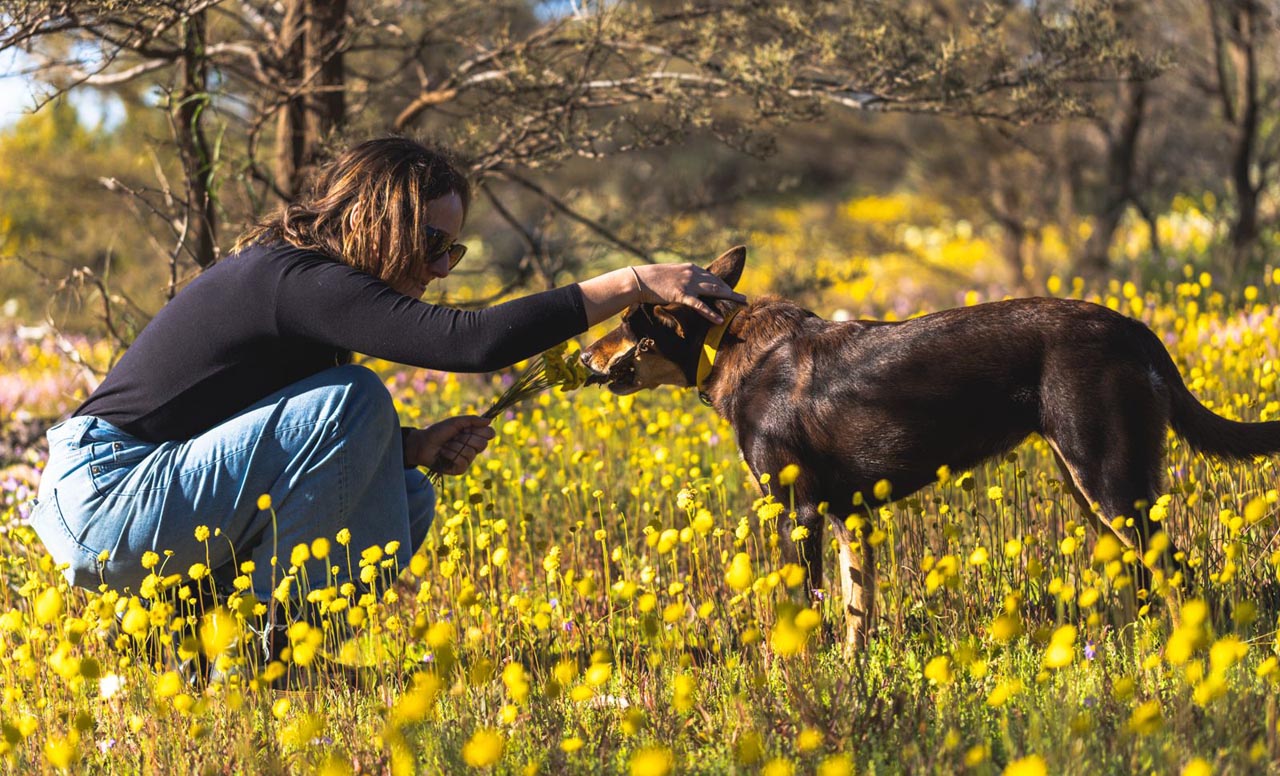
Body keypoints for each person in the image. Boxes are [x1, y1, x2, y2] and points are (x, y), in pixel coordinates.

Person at [28, 136, 744, 632]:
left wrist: (411, 446)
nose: (439, 270)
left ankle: (223, 647)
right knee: (355, 399)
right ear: (378, 218)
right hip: (108, 494)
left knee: (403, 488)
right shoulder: (298, 278)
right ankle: (277, 655)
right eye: (433, 245)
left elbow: (253, 435)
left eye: (452, 251)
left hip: (144, 500)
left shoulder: (304, 286)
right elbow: (474, 343)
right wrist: (632, 282)